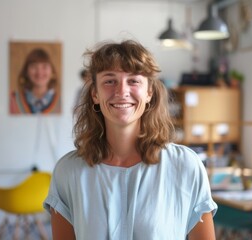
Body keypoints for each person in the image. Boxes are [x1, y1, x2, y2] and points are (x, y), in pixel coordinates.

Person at [43, 40, 217, 240]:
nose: (121, 91)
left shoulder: (185, 166)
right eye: (110, 81)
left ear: (149, 92)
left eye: (133, 81)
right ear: (95, 94)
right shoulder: (68, 171)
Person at [10, 48, 61, 114]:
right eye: (34, 66)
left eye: (44, 67)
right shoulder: (14, 100)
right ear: (26, 71)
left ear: (52, 71)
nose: (39, 72)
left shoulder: (62, 102)